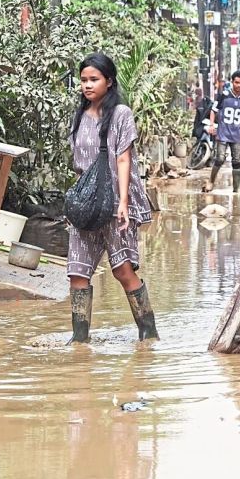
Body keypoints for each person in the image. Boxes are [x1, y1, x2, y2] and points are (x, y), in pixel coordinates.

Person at [67, 52, 158, 342]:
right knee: (77, 273)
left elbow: (123, 159)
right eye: (83, 80)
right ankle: (79, 340)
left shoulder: (121, 115)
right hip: (86, 206)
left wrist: (123, 203)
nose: (87, 85)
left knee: (122, 270)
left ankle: (148, 333)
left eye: (94, 79)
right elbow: (79, 162)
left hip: (115, 204)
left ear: (109, 81)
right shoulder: (79, 116)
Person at [203, 69, 240, 193]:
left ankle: (236, 189)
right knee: (220, 159)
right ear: (232, 82)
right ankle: (211, 181)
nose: (238, 85)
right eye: (236, 82)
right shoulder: (224, 95)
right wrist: (212, 125)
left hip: (236, 135)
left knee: (237, 161)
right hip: (223, 133)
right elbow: (214, 110)